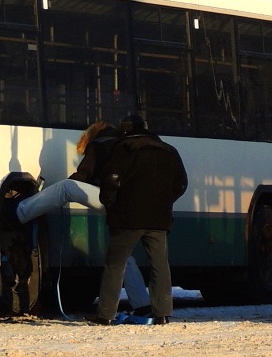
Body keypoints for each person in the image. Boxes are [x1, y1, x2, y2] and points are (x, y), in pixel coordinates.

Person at [14, 121, 151, 317]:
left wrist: (68, 183)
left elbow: (82, 176)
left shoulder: (100, 143)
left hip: (116, 201)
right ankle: (143, 305)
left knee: (65, 187)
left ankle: (20, 212)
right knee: (123, 253)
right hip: (136, 204)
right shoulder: (125, 145)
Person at [89, 115, 187, 326]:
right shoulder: (168, 150)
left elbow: (111, 179)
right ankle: (162, 314)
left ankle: (105, 315)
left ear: (125, 131)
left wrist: (109, 202)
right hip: (159, 218)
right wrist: (164, 202)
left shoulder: (124, 147)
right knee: (160, 264)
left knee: (116, 264)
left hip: (127, 217)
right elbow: (181, 184)